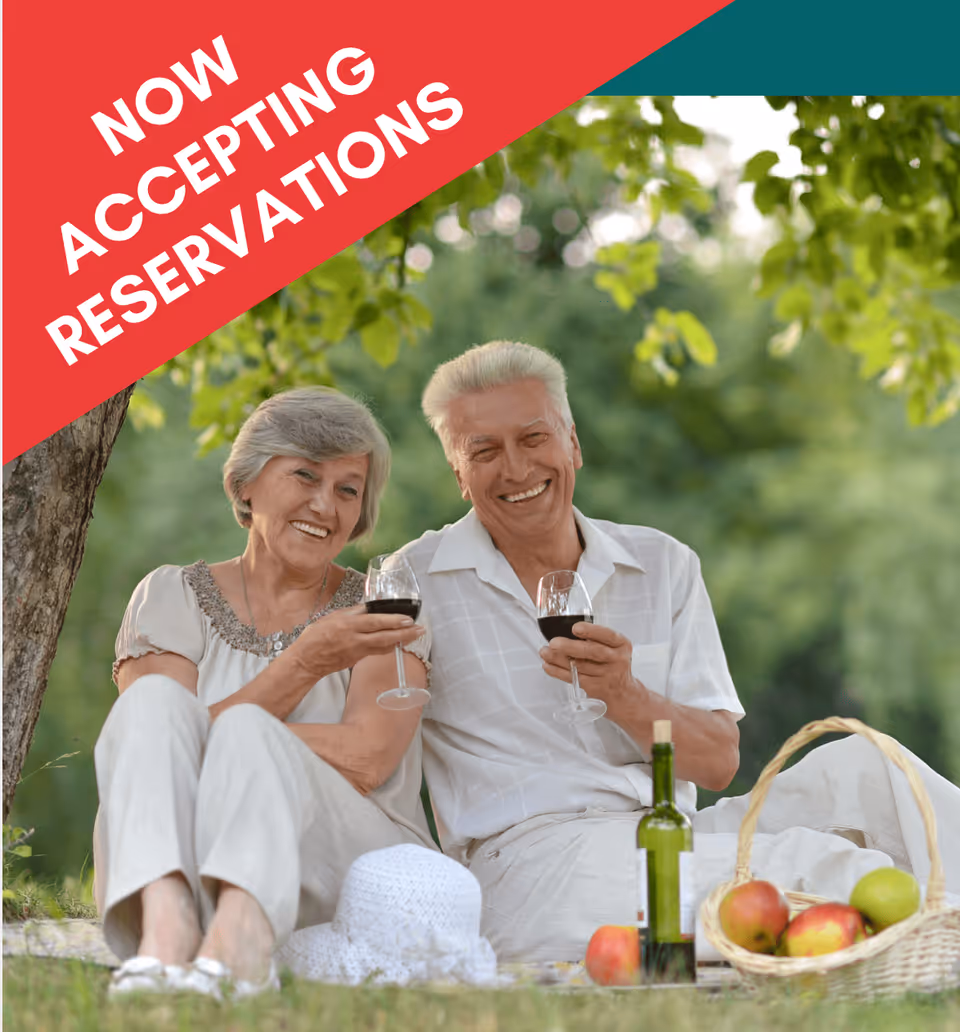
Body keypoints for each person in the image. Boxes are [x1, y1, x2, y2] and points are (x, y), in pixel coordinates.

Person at [398, 340, 960, 962]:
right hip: (530, 866)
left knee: (873, 772)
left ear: (572, 444)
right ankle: (925, 942)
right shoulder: (414, 585)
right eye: (484, 451)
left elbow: (717, 763)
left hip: (669, 832)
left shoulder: (661, 564)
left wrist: (623, 694)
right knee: (818, 864)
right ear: (458, 473)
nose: (515, 468)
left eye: (533, 439)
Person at [94, 387, 435, 997]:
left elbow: (367, 758)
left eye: (348, 489)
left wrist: (258, 720)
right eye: (304, 475)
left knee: (247, 728)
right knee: (149, 707)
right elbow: (146, 746)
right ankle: (166, 937)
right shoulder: (170, 596)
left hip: (349, 862)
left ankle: (236, 950)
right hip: (186, 856)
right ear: (246, 484)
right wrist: (301, 669)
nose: (324, 505)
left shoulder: (381, 608)